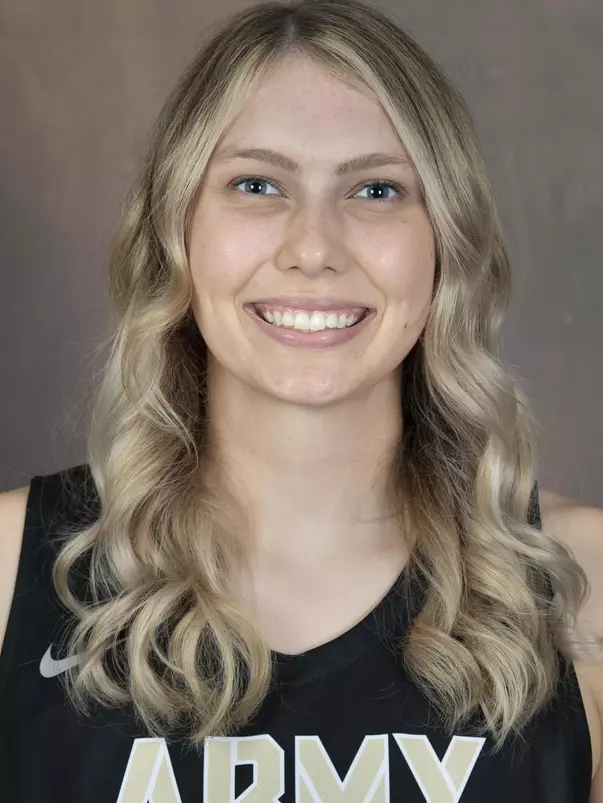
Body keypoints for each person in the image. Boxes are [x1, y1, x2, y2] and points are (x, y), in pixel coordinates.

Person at [0, 0, 602, 800]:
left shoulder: (583, 581)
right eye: (256, 184)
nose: (313, 247)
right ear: (175, 229)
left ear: (445, 240)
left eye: (377, 190)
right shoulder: (10, 567)